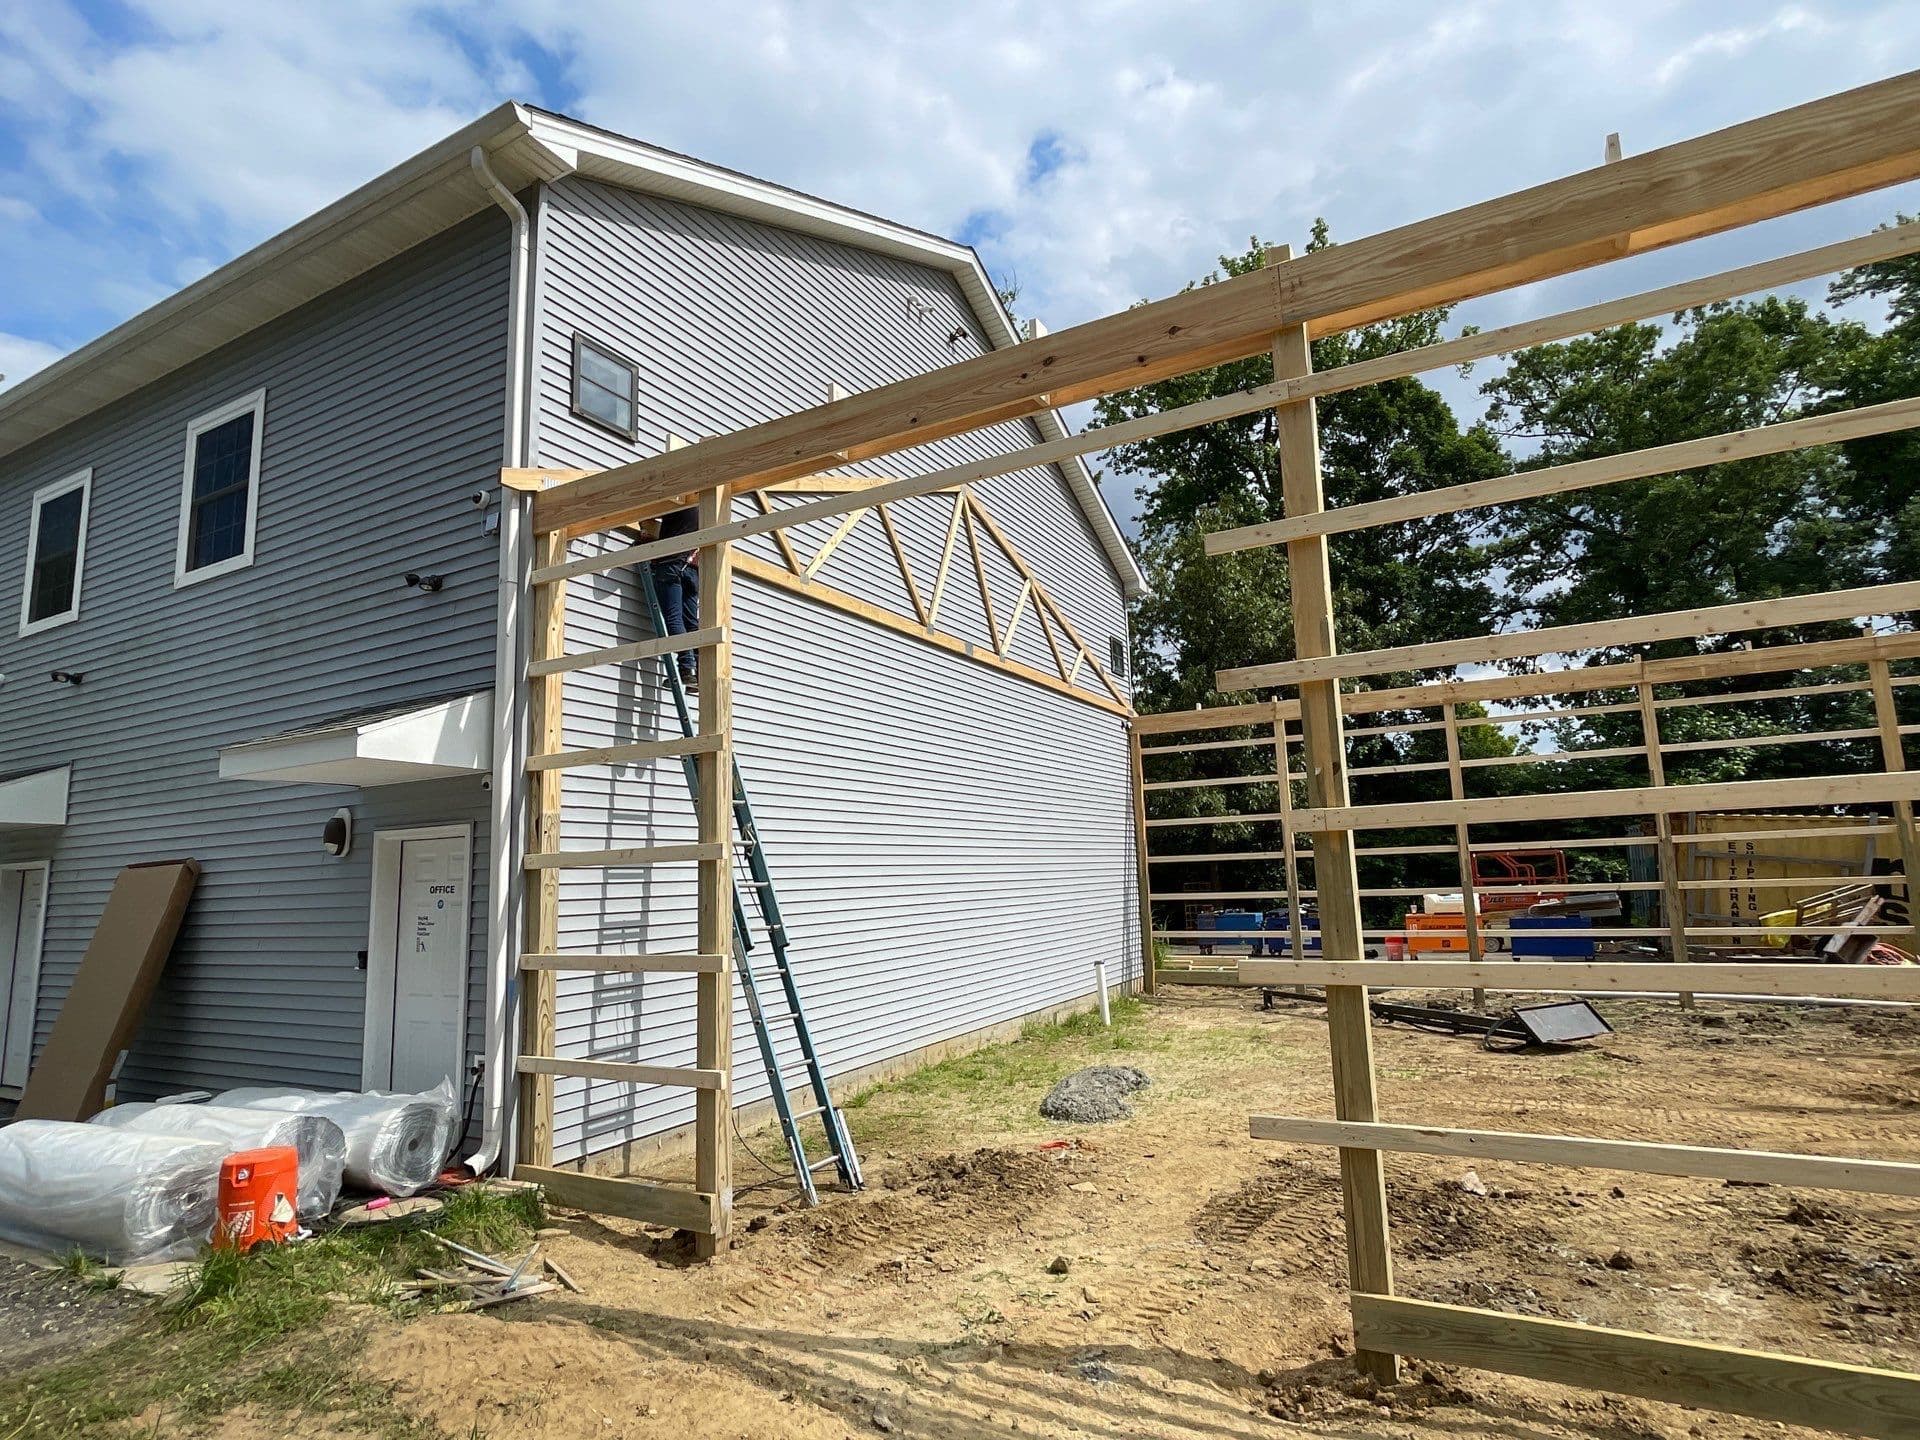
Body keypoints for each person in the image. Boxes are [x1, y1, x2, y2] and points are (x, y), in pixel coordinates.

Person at [651, 507, 700, 693]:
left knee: (674, 619)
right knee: (691, 622)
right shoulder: (703, 507)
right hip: (692, 569)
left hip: (671, 564)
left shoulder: (678, 499)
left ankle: (687, 670)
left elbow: (649, 510)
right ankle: (698, 671)